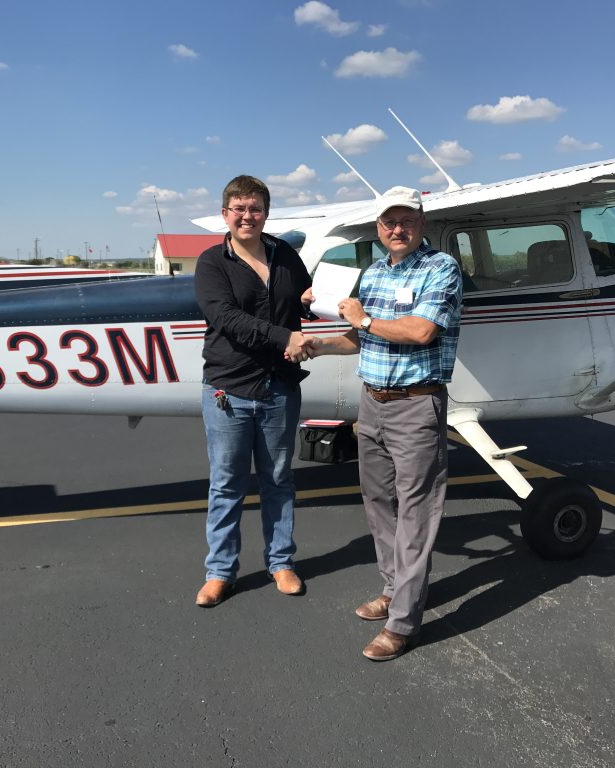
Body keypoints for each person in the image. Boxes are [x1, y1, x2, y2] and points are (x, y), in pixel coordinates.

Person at [306, 186, 462, 660]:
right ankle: (396, 590)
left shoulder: (441, 269)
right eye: (389, 222)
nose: (397, 229)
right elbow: (359, 338)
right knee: (378, 503)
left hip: (417, 406)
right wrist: (316, 344)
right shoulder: (373, 273)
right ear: (378, 228)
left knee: (416, 511)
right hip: (371, 403)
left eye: (407, 221)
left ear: (421, 224)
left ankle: (404, 624)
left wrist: (366, 319)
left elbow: (421, 330)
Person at [192, 175, 314, 607]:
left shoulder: (286, 255)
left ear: (266, 212)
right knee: (227, 484)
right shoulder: (211, 262)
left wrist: (313, 302)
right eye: (239, 209)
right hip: (229, 390)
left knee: (278, 479)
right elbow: (226, 318)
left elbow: (302, 303)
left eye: (256, 208)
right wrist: (285, 338)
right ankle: (220, 571)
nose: (248, 216)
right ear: (225, 214)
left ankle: (281, 563)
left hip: (279, 388)